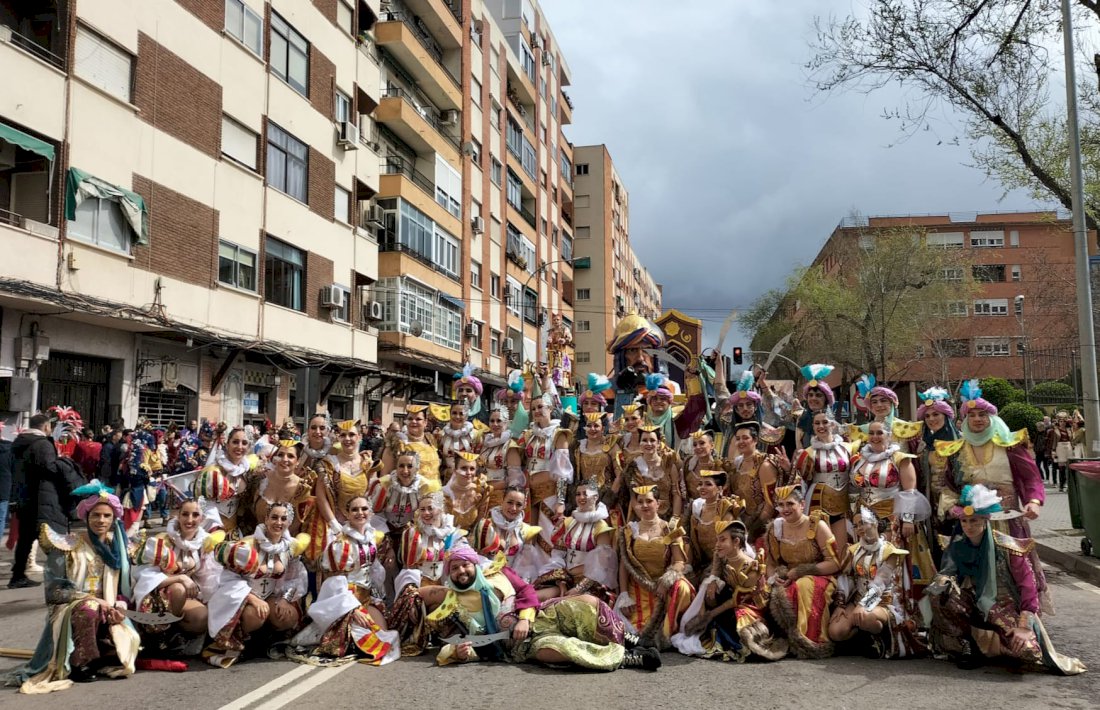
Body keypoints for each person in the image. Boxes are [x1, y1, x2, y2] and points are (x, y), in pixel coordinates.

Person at [928, 484, 1085, 674]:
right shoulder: (957, 546)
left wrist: (1024, 626)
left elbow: (1029, 586)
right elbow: (948, 572)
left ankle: (1000, 644)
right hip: (973, 603)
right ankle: (969, 644)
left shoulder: (1008, 547)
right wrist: (943, 581)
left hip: (1004, 606)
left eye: (974, 521)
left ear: (986, 520)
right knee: (939, 596)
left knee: (1028, 652)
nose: (969, 526)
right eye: (964, 521)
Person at [425, 545, 659, 670]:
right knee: (559, 650)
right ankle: (626, 658)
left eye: (464, 565)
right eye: (454, 569)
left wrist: (526, 618)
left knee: (587, 604)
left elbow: (526, 590)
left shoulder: (498, 572)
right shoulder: (452, 603)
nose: (460, 572)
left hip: (539, 615)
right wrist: (459, 653)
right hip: (518, 646)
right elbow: (452, 641)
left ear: (474, 564)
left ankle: (628, 639)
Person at [11, 481, 141, 690]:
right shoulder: (67, 545)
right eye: (96, 515)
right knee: (89, 609)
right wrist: (91, 599)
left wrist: (119, 604)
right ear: (86, 516)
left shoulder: (117, 548)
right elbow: (55, 592)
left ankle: (101, 652)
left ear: (113, 519)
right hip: (72, 610)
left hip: (107, 609)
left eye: (107, 516)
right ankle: (82, 663)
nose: (101, 520)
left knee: (127, 649)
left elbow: (124, 588)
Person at [937, 380, 1050, 610]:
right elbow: (948, 486)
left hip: (1007, 521)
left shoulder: (1009, 444)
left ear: (992, 418)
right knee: (968, 574)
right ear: (965, 420)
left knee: (1016, 569)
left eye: (982, 414)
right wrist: (952, 508)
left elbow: (1031, 478)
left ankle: (1024, 617)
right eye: (972, 415)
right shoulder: (956, 450)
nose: (978, 419)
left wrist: (1034, 501)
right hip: (972, 523)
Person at [289, 495, 400, 665]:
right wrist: (352, 608)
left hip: (366, 597)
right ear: (347, 514)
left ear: (370, 513)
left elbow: (374, 571)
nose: (360, 513)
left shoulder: (370, 538)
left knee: (385, 635)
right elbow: (334, 581)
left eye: (364, 509)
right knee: (374, 643)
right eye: (354, 509)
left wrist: (377, 596)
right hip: (346, 599)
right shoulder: (341, 544)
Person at [204, 502, 310, 667]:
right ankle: (244, 640)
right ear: (266, 519)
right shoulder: (248, 545)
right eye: (274, 517)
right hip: (243, 599)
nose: (278, 522)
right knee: (256, 614)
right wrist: (252, 599)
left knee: (287, 616)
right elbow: (228, 579)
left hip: (270, 596)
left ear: (289, 522)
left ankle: (267, 638)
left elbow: (296, 578)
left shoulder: (289, 548)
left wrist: (285, 599)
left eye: (284, 518)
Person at [672, 520, 788, 663]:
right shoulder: (722, 555)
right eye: (717, 540)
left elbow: (736, 601)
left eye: (722, 540)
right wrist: (713, 580)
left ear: (736, 542)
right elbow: (716, 568)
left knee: (734, 622)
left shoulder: (751, 568)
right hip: (732, 598)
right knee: (708, 590)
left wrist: (708, 616)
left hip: (750, 606)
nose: (717, 544)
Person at [829, 506, 923, 658]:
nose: (859, 528)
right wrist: (840, 605)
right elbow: (846, 578)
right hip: (858, 599)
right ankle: (862, 639)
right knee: (836, 632)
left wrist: (862, 605)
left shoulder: (889, 551)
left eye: (862, 523)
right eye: (856, 525)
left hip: (884, 602)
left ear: (874, 523)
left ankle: (880, 637)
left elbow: (880, 582)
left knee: (866, 617)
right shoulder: (853, 550)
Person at [131, 498, 224, 649]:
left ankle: (176, 633)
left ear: (202, 518)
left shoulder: (204, 543)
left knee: (201, 617)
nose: (190, 520)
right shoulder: (162, 541)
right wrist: (181, 578)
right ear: (177, 515)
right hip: (155, 596)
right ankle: (160, 635)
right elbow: (144, 576)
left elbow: (208, 577)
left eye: (195, 515)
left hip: (183, 597)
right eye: (185, 514)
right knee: (179, 588)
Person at [766, 482, 843, 659]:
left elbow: (834, 563)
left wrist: (802, 571)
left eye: (790, 504)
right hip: (787, 576)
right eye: (781, 505)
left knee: (804, 585)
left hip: (820, 575)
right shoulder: (774, 529)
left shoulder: (817, 526)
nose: (785, 509)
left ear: (802, 505)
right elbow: (770, 563)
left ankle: (809, 642)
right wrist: (773, 577)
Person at [10, 413, 86, 589]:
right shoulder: (42, 444)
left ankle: (18, 575)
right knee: (55, 540)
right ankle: (59, 580)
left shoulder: (20, 442)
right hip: (42, 498)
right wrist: (65, 464)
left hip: (25, 497)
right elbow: (49, 468)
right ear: (45, 427)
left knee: (26, 539)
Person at [616, 485, 695, 648]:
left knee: (683, 587)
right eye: (640, 502)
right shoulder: (629, 531)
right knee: (631, 632)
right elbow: (624, 565)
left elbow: (680, 561)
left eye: (649, 501)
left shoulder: (670, 529)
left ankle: (668, 632)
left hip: (662, 588)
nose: (644, 505)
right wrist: (623, 595)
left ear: (658, 504)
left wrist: (667, 580)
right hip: (638, 587)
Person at [534, 479, 618, 601]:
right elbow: (558, 555)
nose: (581, 497)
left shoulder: (601, 528)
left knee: (567, 606)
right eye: (578, 494)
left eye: (585, 493)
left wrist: (579, 589)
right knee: (536, 597)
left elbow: (601, 568)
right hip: (566, 580)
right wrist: (560, 581)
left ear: (595, 497)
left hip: (590, 586)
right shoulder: (568, 522)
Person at [516, 393, 574, 538]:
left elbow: (562, 471)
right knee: (529, 532)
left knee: (547, 534)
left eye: (540, 407)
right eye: (533, 408)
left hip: (549, 492)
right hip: (528, 491)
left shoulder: (559, 435)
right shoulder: (528, 435)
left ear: (550, 408)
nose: (536, 411)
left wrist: (560, 501)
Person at [795, 409, 855, 547]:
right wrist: (788, 468)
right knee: (822, 545)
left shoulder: (848, 448)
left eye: (825, 422)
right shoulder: (808, 453)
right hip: (818, 501)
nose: (821, 426)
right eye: (817, 423)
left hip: (845, 501)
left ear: (833, 425)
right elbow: (801, 480)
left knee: (845, 545)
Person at [472, 486, 551, 584]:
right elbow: (476, 559)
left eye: (518, 504)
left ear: (524, 505)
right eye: (510, 502)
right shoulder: (485, 526)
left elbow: (525, 566)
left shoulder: (526, 530)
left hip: (513, 581)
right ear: (502, 500)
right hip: (486, 579)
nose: (513, 508)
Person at [683, 470, 744, 582]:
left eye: (708, 484)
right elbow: (689, 540)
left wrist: (712, 572)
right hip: (702, 562)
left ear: (720, 489)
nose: (702, 487)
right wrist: (688, 565)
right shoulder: (697, 509)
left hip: (724, 562)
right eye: (700, 484)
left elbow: (727, 547)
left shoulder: (725, 511)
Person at [245, 440, 315, 536]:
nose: (284, 459)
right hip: (256, 537)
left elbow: (296, 524)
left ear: (298, 462)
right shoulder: (260, 479)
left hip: (285, 544)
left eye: (290, 456)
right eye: (281, 455)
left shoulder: (303, 489)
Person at [729, 422, 785, 541]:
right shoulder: (737, 464)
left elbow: (770, 505)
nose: (741, 442)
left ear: (755, 440)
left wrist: (751, 532)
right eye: (738, 439)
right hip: (741, 523)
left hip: (761, 527)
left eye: (745, 438)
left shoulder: (764, 465)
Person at [914, 386, 959, 531]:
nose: (931, 419)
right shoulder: (923, 446)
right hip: (931, 502)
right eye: (927, 416)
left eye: (936, 414)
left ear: (945, 416)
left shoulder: (961, 442)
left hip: (956, 503)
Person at [620, 425, 683, 523]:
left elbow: (676, 494)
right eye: (644, 440)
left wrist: (675, 518)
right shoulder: (634, 466)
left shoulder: (668, 464)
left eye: (652, 440)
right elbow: (634, 499)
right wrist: (648, 521)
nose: (648, 444)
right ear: (640, 443)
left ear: (658, 443)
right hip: (643, 516)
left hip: (669, 515)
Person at [574, 412, 624, 524]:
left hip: (607, 498)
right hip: (585, 499)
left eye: (596, 426)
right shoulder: (579, 448)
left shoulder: (612, 446)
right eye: (589, 425)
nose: (592, 429)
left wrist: (608, 499)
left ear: (603, 428)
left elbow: (620, 474)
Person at [381, 405, 441, 485]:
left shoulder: (432, 440)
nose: (414, 421)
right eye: (410, 419)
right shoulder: (396, 443)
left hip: (434, 493)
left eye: (418, 419)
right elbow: (385, 475)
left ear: (425, 422)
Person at [479, 406, 521, 510]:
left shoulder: (510, 446)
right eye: (492, 421)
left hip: (500, 495)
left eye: (499, 421)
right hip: (484, 493)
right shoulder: (485, 443)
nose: (495, 424)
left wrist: (494, 487)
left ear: (506, 423)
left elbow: (514, 479)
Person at [442, 451, 492, 530]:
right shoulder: (444, 493)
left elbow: (479, 524)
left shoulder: (480, 492)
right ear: (455, 470)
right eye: (464, 468)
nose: (468, 472)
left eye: (472, 469)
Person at [681, 430, 735, 502]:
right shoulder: (688, 464)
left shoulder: (719, 467)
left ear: (712, 445)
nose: (698, 447)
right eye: (695, 444)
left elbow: (724, 495)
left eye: (702, 443)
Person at [437, 401, 481, 481]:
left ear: (466, 415)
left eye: (461, 414)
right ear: (449, 414)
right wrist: (445, 472)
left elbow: (479, 460)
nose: (457, 416)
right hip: (447, 479)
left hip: (468, 478)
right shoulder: (440, 435)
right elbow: (438, 460)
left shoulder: (475, 435)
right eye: (454, 413)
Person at [795, 364, 836, 448]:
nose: (813, 398)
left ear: (826, 399)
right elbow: (799, 448)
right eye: (810, 395)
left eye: (818, 395)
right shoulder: (802, 419)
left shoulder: (832, 423)